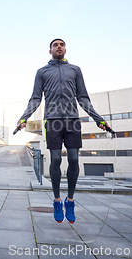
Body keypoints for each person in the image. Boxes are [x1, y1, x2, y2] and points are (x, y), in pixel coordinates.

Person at [16, 38, 110, 223]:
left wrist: (97, 118)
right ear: (50, 50)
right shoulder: (42, 72)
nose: (59, 47)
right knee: (56, 158)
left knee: (74, 158)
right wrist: (24, 117)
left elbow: (83, 97)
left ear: (65, 49)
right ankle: (57, 200)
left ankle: (70, 200)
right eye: (55, 45)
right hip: (52, 120)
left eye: (61, 45)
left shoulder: (75, 70)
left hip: (72, 120)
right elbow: (35, 98)